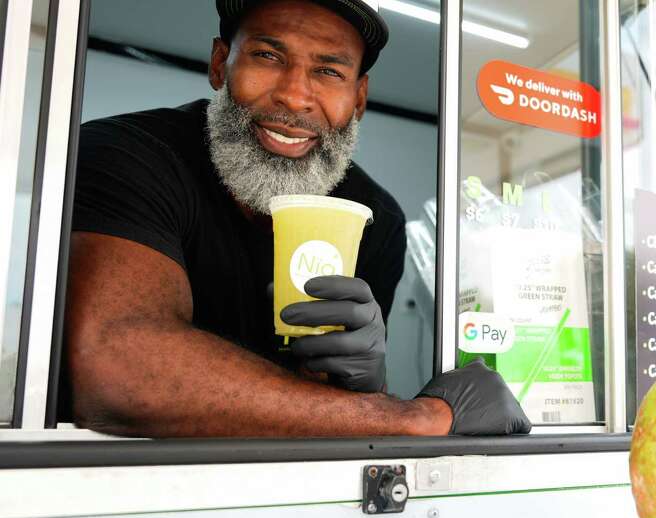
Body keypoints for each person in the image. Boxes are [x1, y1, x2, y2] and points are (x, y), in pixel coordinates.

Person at [62, 0, 531, 437]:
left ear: (359, 96)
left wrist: (360, 381)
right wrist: (412, 416)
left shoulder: (376, 219)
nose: (294, 96)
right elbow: (115, 368)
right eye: (267, 56)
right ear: (219, 63)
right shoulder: (129, 156)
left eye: (328, 71)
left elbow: (332, 408)